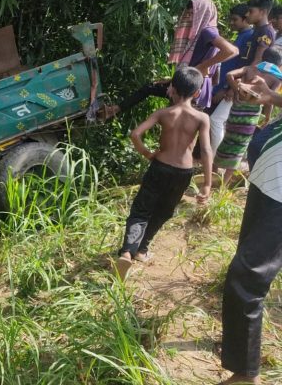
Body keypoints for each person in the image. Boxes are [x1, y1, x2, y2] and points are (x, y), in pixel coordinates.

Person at [115, 67, 212, 280]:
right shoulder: (202, 118)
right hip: (183, 172)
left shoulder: (163, 114)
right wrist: (207, 183)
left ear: (172, 89)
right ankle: (142, 250)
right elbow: (205, 150)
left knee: (141, 210)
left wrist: (148, 154)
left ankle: (127, 251)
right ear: (197, 93)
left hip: (159, 166)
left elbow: (135, 134)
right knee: (164, 211)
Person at [218, 63, 282, 385]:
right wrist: (268, 96)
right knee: (247, 274)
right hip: (267, 183)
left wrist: (270, 95)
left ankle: (245, 374)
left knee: (245, 278)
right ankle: (244, 363)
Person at [101, 0, 239, 119]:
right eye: (189, 14)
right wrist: (172, 80)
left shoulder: (207, 31)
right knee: (151, 88)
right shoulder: (202, 32)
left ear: (204, 13)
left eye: (194, 14)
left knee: (178, 127)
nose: (190, 18)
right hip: (189, 83)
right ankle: (114, 110)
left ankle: (114, 110)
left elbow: (231, 51)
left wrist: (201, 67)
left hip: (193, 87)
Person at [214, 47, 282, 186]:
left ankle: (213, 175)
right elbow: (269, 100)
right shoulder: (276, 78)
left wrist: (236, 89)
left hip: (236, 109)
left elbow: (229, 75)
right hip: (250, 116)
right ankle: (223, 185)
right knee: (240, 147)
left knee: (227, 141)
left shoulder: (249, 68)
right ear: (279, 63)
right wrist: (267, 118)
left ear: (263, 58)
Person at [210, 3, 255, 155]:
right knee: (219, 122)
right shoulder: (242, 36)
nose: (231, 23)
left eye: (235, 20)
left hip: (230, 87)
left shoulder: (249, 37)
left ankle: (216, 157)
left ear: (245, 19)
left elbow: (245, 65)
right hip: (224, 84)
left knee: (216, 121)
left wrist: (229, 89)